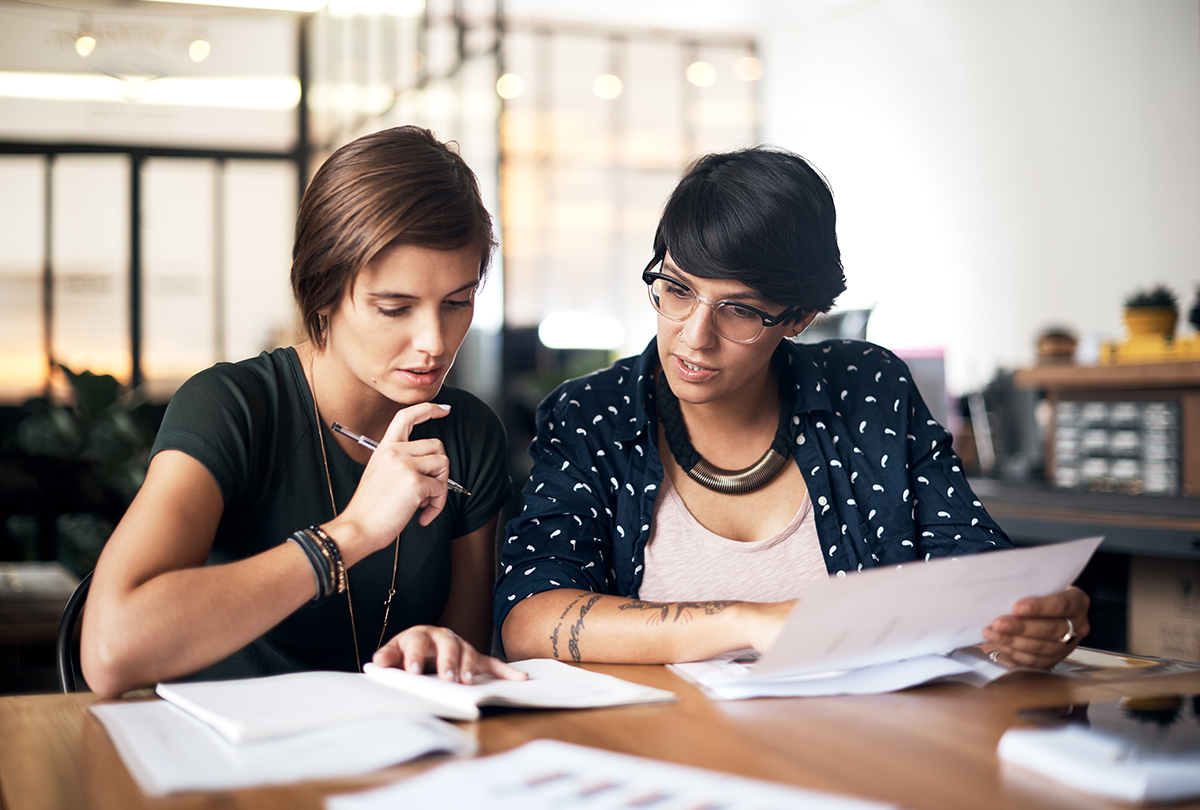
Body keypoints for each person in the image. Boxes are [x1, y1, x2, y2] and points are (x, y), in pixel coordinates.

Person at [494, 146, 1089, 670]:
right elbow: (528, 620)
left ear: (801, 317)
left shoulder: (867, 392)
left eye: (739, 310)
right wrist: (745, 621)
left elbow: (979, 578)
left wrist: (1035, 622)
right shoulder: (593, 415)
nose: (693, 336)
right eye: (677, 290)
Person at [82, 126, 525, 699]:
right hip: (228, 767)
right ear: (321, 291)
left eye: (458, 302)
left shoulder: (465, 432)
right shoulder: (234, 407)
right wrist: (350, 534)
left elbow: (462, 656)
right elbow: (111, 651)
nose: (434, 342)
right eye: (395, 308)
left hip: (392, 759)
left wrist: (443, 652)